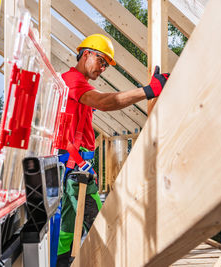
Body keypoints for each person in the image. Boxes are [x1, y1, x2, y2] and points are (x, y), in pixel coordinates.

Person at [56, 34, 169, 267]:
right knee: (104, 230)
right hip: (75, 173)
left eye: (107, 65)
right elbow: (107, 101)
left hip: (71, 169)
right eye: (102, 61)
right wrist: (148, 91)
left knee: (67, 230)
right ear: (86, 54)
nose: (104, 68)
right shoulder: (73, 81)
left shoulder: (72, 83)